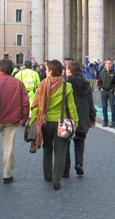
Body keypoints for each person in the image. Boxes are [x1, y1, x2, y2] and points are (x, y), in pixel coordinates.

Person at [29, 60, 79, 191]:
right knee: (60, 153)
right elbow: (71, 106)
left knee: (47, 149)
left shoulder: (42, 85)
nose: (45, 72)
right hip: (61, 123)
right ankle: (57, 180)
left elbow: (36, 106)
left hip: (45, 122)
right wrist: (75, 122)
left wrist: (32, 121)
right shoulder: (66, 86)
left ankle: (48, 175)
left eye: (46, 70)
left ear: (51, 71)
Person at [64, 62, 95, 177]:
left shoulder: (66, 83)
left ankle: (65, 169)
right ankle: (79, 163)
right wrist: (92, 117)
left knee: (65, 142)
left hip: (69, 116)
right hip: (83, 116)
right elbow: (90, 102)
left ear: (70, 71)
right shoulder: (87, 84)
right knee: (80, 141)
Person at [97, 59, 115, 127]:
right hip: (104, 91)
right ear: (105, 64)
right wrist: (100, 88)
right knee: (104, 107)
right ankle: (105, 121)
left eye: (109, 63)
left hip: (110, 91)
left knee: (112, 106)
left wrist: (113, 89)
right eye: (107, 63)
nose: (108, 65)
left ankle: (114, 121)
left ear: (112, 64)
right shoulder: (102, 73)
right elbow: (99, 81)